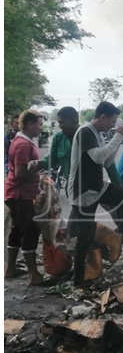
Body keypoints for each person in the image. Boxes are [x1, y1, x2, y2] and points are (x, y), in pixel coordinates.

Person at [68, 101, 123, 284]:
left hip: (99, 186)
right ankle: (78, 280)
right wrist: (117, 136)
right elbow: (97, 156)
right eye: (112, 121)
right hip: (83, 190)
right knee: (83, 236)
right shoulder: (85, 131)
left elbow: (106, 162)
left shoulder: (99, 134)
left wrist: (117, 141)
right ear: (102, 117)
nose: (112, 125)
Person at [4, 110, 47, 284]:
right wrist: (41, 166)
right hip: (21, 195)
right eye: (39, 124)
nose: (41, 128)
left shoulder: (23, 141)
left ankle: (11, 268)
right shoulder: (22, 144)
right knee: (30, 231)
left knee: (16, 230)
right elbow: (21, 173)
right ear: (30, 124)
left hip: (16, 193)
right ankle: (34, 275)